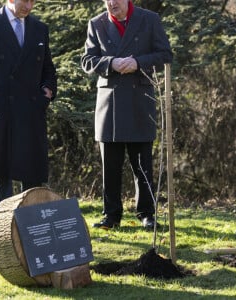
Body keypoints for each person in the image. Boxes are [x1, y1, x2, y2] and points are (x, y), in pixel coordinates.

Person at [81, 0, 172, 230]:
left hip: (139, 99)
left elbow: (165, 54)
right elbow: (87, 60)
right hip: (109, 103)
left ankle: (147, 214)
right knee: (110, 165)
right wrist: (111, 62)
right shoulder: (96, 24)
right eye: (107, 0)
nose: (112, 4)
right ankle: (111, 216)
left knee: (142, 164)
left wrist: (138, 63)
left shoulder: (149, 19)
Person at [0, 0, 57, 217]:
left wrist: (47, 93)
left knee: (32, 171)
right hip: (1, 108)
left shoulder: (39, 28)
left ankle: (34, 222)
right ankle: (0, 223)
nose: (29, 5)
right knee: (2, 171)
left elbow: (48, 69)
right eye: (25, 0)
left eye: (33, 1)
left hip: (31, 109)